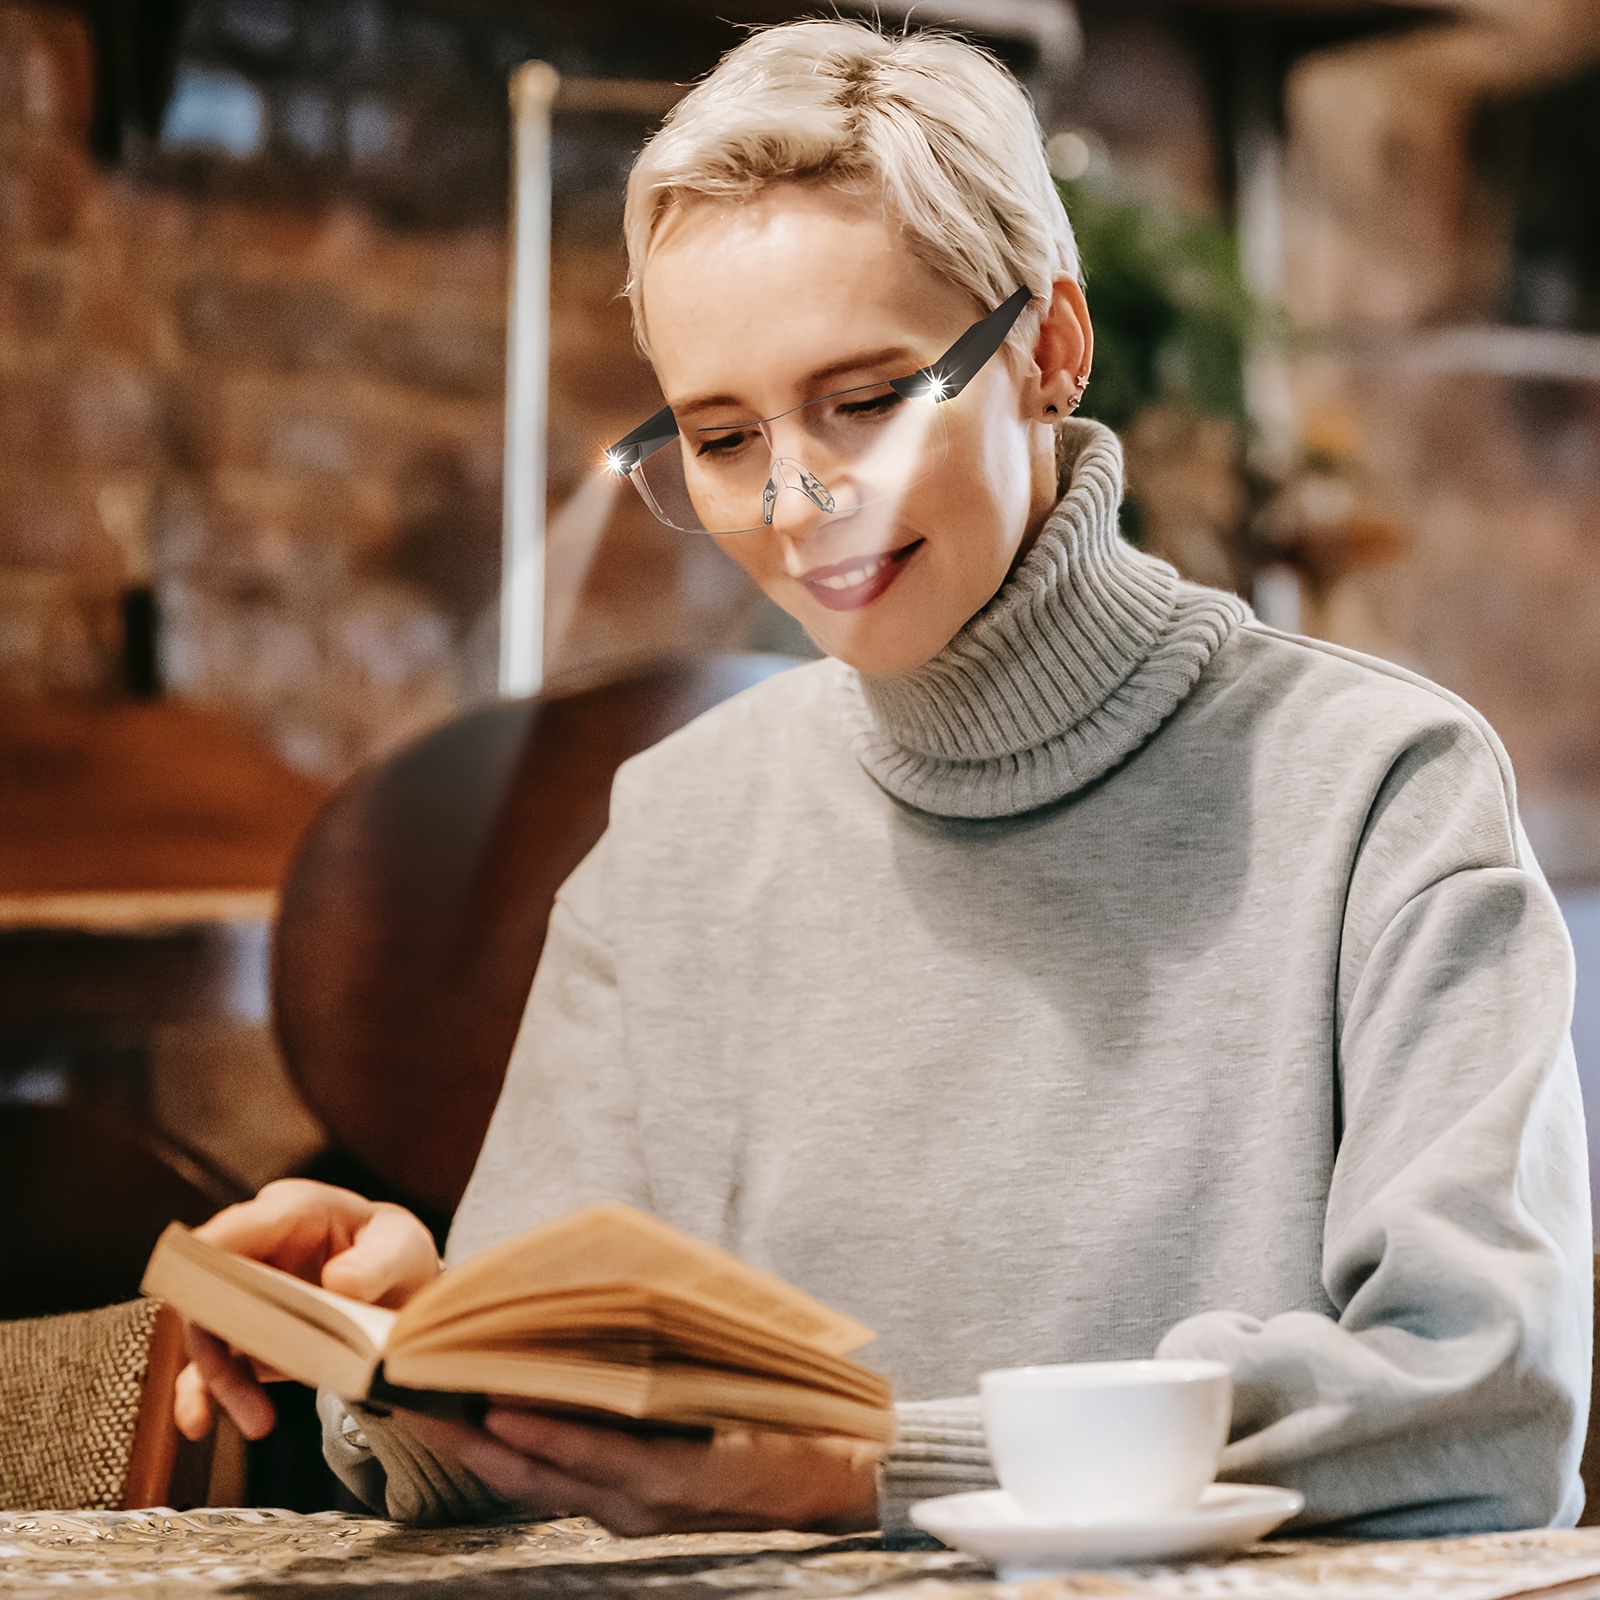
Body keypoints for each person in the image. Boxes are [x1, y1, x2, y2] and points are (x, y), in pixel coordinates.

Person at [174, 18, 1592, 1538]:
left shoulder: (1380, 790)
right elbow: (553, 1461)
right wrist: (406, 1346)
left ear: (1050, 345)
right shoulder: (675, 837)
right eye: (720, 437)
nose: (793, 503)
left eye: (864, 399)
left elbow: (1486, 1398)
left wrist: (866, 1471)